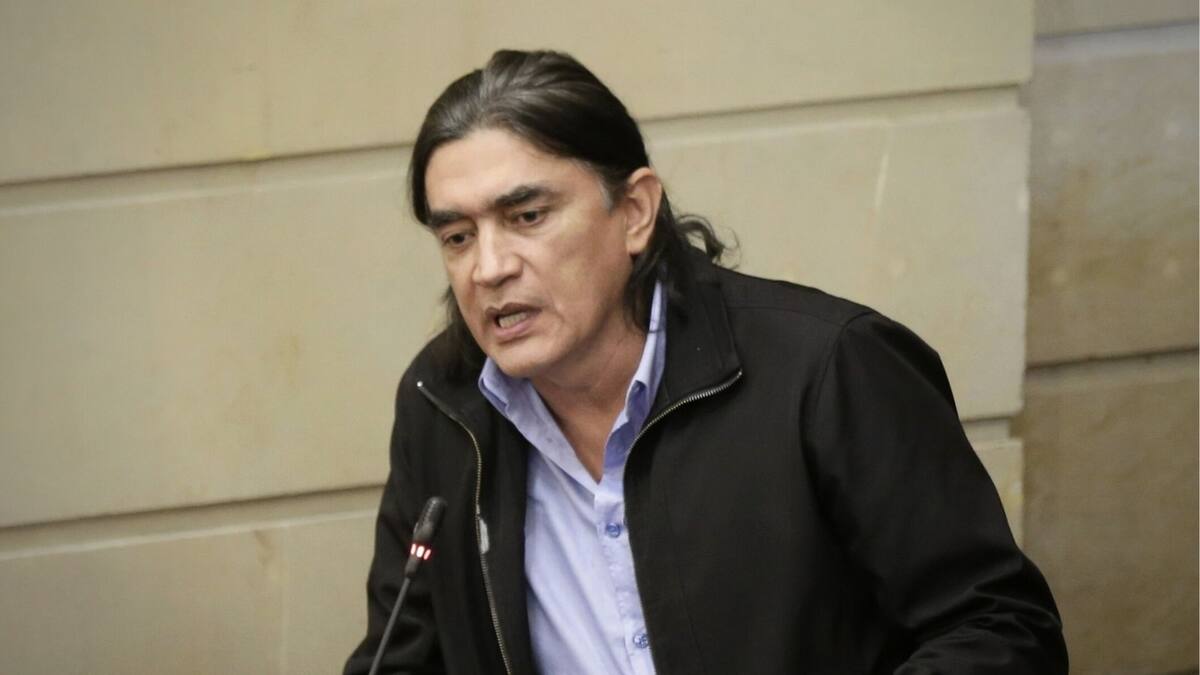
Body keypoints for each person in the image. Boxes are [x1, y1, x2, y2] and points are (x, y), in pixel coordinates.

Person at [345, 49, 1067, 674]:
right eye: (458, 237)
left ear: (635, 211)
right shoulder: (443, 406)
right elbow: (403, 658)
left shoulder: (826, 369)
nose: (489, 267)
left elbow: (1001, 630)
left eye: (527, 217)